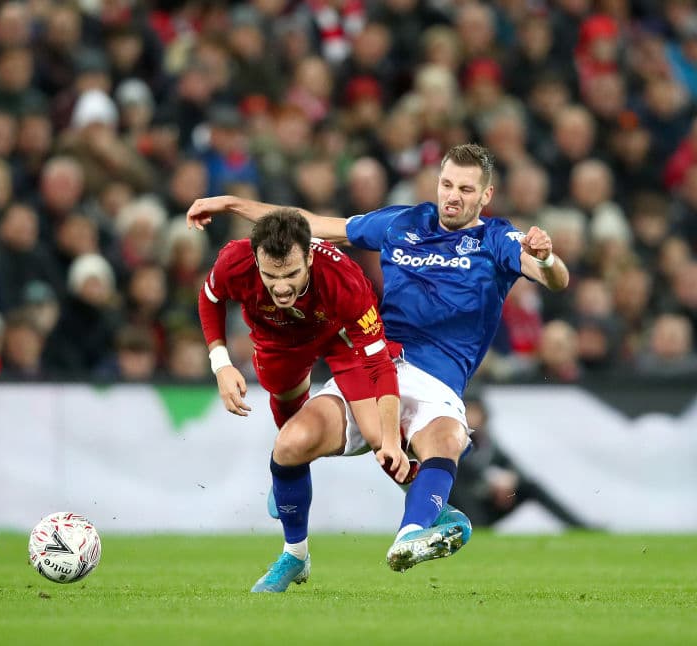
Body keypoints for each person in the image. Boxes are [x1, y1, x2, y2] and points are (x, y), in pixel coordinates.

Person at [188, 143, 569, 573]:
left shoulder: (496, 239)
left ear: (486, 195)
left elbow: (554, 278)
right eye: (446, 184)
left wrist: (547, 257)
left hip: (437, 381)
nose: (453, 195)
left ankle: (410, 534)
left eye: (466, 188)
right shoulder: (403, 222)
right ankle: (295, 556)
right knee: (292, 442)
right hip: (374, 361)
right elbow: (308, 225)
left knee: (446, 439)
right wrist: (233, 204)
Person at [197, 208, 410, 592]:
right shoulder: (236, 260)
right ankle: (296, 555)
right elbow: (210, 297)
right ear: (256, 258)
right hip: (277, 341)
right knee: (289, 440)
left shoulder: (344, 278)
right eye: (271, 275)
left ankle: (430, 507)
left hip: (338, 336)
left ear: (310, 255)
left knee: (380, 432)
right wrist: (221, 364)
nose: (280, 287)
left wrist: (393, 440)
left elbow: (380, 365)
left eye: (292, 274)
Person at [449, 391, 589, 529]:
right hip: (459, 505)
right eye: (468, 412)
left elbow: (511, 465)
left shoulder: (488, 442)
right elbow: (462, 469)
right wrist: (492, 480)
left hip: (488, 502)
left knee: (529, 486)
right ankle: (473, 526)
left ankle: (579, 527)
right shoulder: (451, 439)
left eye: (475, 412)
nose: (472, 417)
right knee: (457, 487)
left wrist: (510, 480)